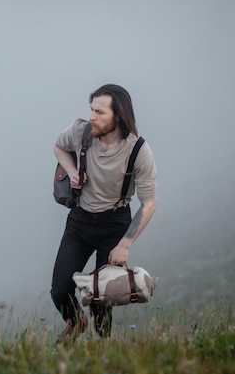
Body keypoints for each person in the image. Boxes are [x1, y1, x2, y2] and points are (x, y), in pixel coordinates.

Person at [51, 83, 157, 341]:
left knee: (102, 298)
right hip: (79, 221)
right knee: (60, 289)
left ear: (118, 116)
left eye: (100, 112)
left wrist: (125, 245)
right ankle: (76, 324)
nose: (92, 117)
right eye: (92, 110)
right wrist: (73, 171)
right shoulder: (81, 131)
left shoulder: (138, 151)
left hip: (114, 224)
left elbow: (149, 202)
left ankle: (102, 348)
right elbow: (59, 147)